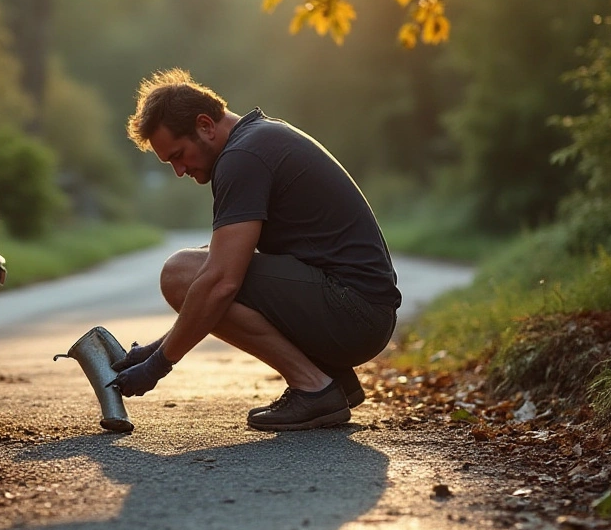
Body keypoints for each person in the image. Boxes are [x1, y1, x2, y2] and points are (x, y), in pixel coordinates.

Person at [107, 69, 401, 431]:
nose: (180, 171)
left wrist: (158, 365)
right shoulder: (259, 139)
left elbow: (220, 283)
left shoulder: (243, 156)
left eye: (179, 156)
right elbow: (225, 267)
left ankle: (314, 388)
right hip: (361, 312)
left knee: (182, 273)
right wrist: (153, 348)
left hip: (354, 312)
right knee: (205, 261)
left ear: (205, 125)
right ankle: (331, 380)